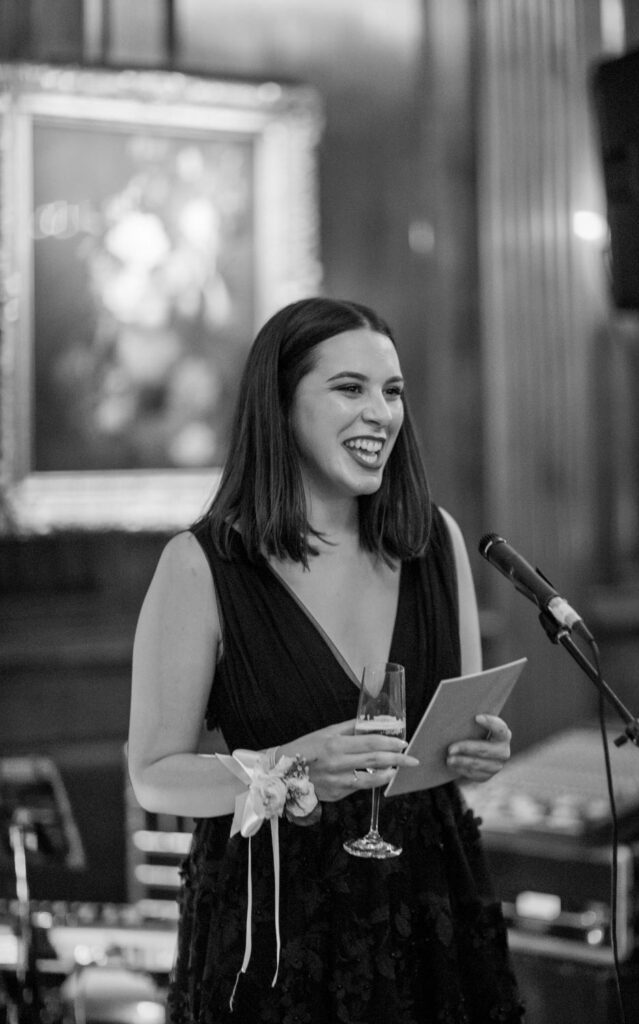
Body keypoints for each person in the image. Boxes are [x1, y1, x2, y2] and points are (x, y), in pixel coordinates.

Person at [127, 297, 525, 1024]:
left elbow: (451, 752)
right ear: (279, 406)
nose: (380, 413)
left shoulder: (435, 541)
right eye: (349, 388)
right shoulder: (200, 566)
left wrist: (476, 751)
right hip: (275, 923)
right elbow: (152, 774)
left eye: (392, 391)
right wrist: (291, 766)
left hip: (430, 905)